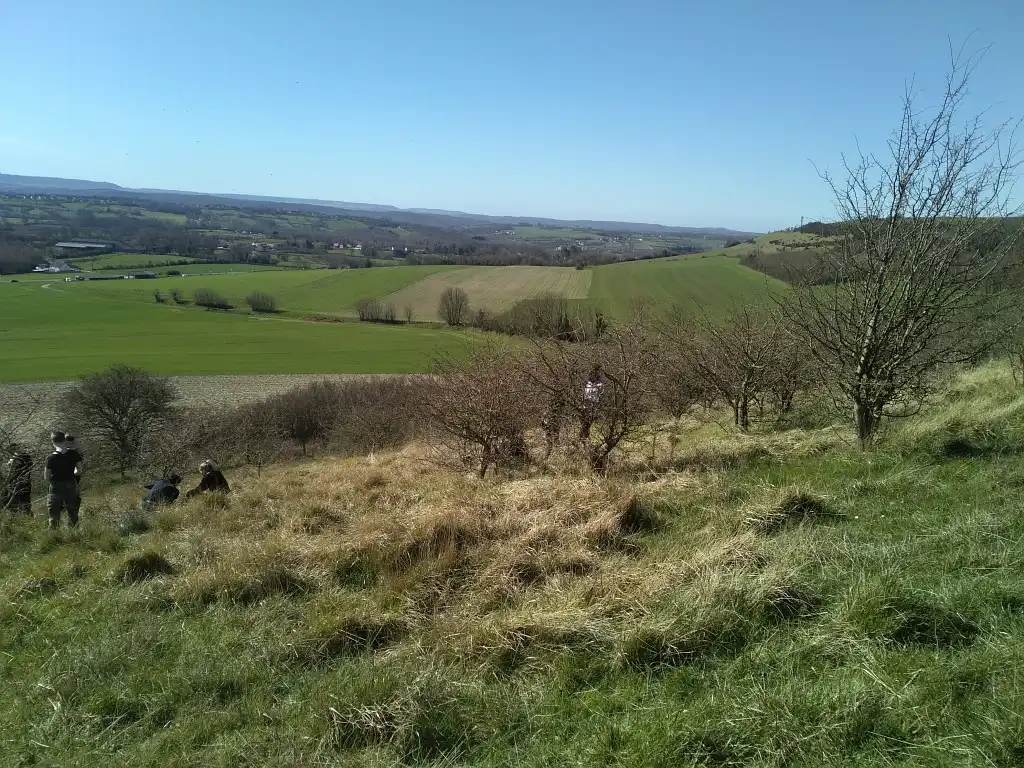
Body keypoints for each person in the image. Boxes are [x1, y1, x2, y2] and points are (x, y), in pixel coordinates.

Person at [43, 431, 82, 529]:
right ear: (64, 440)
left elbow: (46, 477)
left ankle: (54, 535)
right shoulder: (73, 454)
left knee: (54, 513)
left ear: (53, 442)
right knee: (72, 511)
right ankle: (74, 534)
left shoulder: (50, 458)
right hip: (71, 484)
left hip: (56, 486)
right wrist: (70, 474)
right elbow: (79, 471)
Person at [3, 446, 33, 515]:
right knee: (20, 502)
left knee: (23, 502)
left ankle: (26, 516)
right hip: (21, 483)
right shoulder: (23, 456)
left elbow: (14, 463)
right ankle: (24, 516)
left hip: (21, 483)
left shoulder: (22, 457)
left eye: (12, 450)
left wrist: (11, 461)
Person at [580, 365, 605, 439]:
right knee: (584, 422)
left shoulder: (600, 382)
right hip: (586, 403)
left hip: (594, 404)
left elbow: (601, 390)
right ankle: (584, 436)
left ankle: (585, 437)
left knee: (588, 422)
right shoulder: (587, 380)